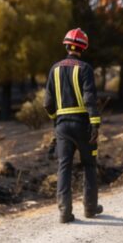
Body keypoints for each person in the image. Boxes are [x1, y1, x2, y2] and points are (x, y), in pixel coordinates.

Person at [43, 28, 103, 223]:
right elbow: (89, 98)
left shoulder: (55, 69)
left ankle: (64, 212)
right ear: (83, 47)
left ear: (66, 45)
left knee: (64, 167)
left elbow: (47, 104)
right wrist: (95, 124)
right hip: (83, 125)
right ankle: (90, 208)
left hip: (62, 126)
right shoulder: (85, 69)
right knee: (89, 165)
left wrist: (55, 119)